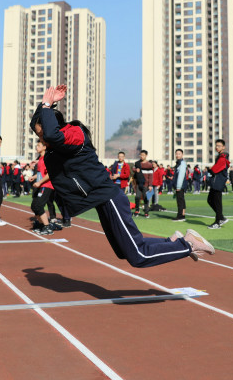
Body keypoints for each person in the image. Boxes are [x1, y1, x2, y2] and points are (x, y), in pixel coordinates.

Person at [30, 85, 214, 267]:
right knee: (123, 251)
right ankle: (173, 241)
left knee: (138, 255)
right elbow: (39, 126)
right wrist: (46, 104)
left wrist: (46, 106)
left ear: (53, 125)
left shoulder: (73, 134)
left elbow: (53, 135)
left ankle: (188, 244)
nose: (42, 140)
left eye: (42, 134)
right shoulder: (56, 144)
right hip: (101, 199)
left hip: (108, 197)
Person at [29, 140, 59, 235]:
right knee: (34, 206)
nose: (36, 147)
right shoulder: (41, 159)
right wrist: (33, 177)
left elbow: (50, 174)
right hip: (41, 184)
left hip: (47, 186)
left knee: (38, 205)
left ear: (44, 147)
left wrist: (39, 182)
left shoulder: (47, 158)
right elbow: (41, 173)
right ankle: (41, 224)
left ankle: (47, 227)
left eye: (38, 145)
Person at [206, 139, 230, 229]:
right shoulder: (220, 156)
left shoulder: (223, 157)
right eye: (216, 145)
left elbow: (215, 169)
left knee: (217, 202)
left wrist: (210, 169)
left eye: (219, 146)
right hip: (215, 182)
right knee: (210, 200)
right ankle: (221, 217)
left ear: (223, 147)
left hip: (218, 182)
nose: (217, 147)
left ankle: (218, 222)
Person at [133, 150, 153, 218]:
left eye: (143, 155)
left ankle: (146, 212)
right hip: (138, 183)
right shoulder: (137, 163)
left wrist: (150, 185)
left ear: (146, 155)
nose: (141, 156)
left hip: (146, 184)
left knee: (145, 198)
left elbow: (150, 175)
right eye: (141, 155)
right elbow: (133, 169)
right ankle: (137, 210)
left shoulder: (149, 165)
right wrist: (136, 170)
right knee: (137, 197)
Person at [172, 149, 187, 222]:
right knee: (181, 200)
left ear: (182, 155)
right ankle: (182, 215)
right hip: (179, 186)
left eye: (179, 154)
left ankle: (180, 216)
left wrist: (178, 186)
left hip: (180, 186)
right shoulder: (178, 163)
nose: (177, 155)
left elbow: (181, 176)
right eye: (176, 154)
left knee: (180, 201)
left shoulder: (182, 163)